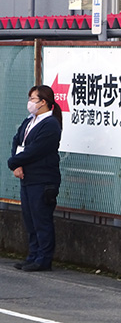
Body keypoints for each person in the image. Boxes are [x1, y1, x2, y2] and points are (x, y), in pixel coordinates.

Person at [7, 85, 62, 272]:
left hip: (43, 179)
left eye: (33, 99)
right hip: (27, 177)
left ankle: (43, 259)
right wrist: (17, 164)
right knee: (29, 219)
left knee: (41, 219)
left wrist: (13, 162)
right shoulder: (30, 120)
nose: (30, 103)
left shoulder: (50, 125)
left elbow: (36, 150)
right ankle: (33, 255)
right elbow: (18, 141)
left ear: (43, 102)